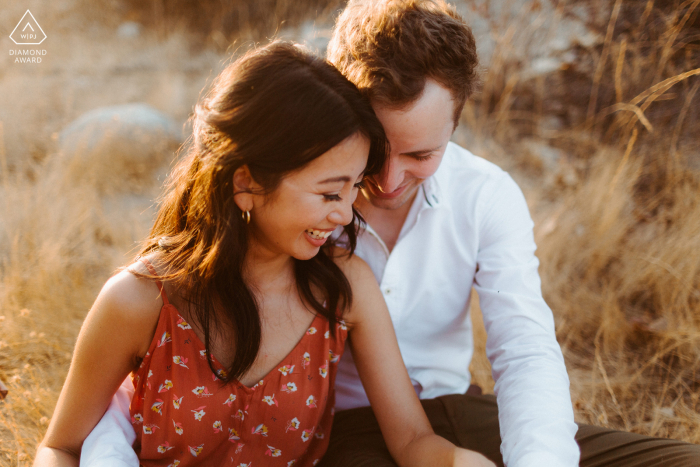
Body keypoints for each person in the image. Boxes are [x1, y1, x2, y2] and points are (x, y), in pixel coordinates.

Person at [76, 1, 700, 466]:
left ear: (457, 124)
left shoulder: (483, 196)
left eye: (422, 154)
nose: (388, 180)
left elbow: (524, 349)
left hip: (451, 413)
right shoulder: (300, 207)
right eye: (375, 152)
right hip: (345, 431)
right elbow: (152, 368)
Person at [33, 42, 494, 467]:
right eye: (330, 193)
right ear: (247, 184)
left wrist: (460, 461)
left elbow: (412, 440)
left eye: (354, 188)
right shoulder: (140, 301)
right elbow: (61, 446)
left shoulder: (345, 289)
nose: (347, 214)